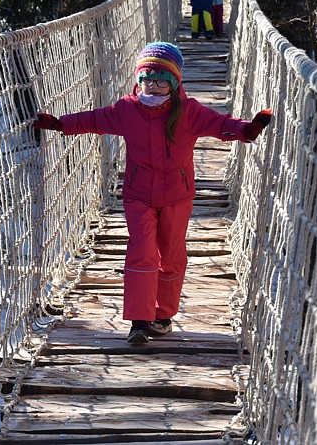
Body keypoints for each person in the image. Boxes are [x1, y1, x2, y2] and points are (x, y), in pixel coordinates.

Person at [32, 42, 272, 344]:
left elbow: (220, 123)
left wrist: (245, 130)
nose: (153, 86)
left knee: (171, 256)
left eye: (161, 81)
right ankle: (140, 321)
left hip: (177, 196)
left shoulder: (188, 112)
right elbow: (93, 119)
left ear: (173, 84)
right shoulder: (127, 109)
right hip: (139, 195)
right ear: (138, 79)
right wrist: (58, 124)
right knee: (142, 252)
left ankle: (162, 315)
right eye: (147, 78)